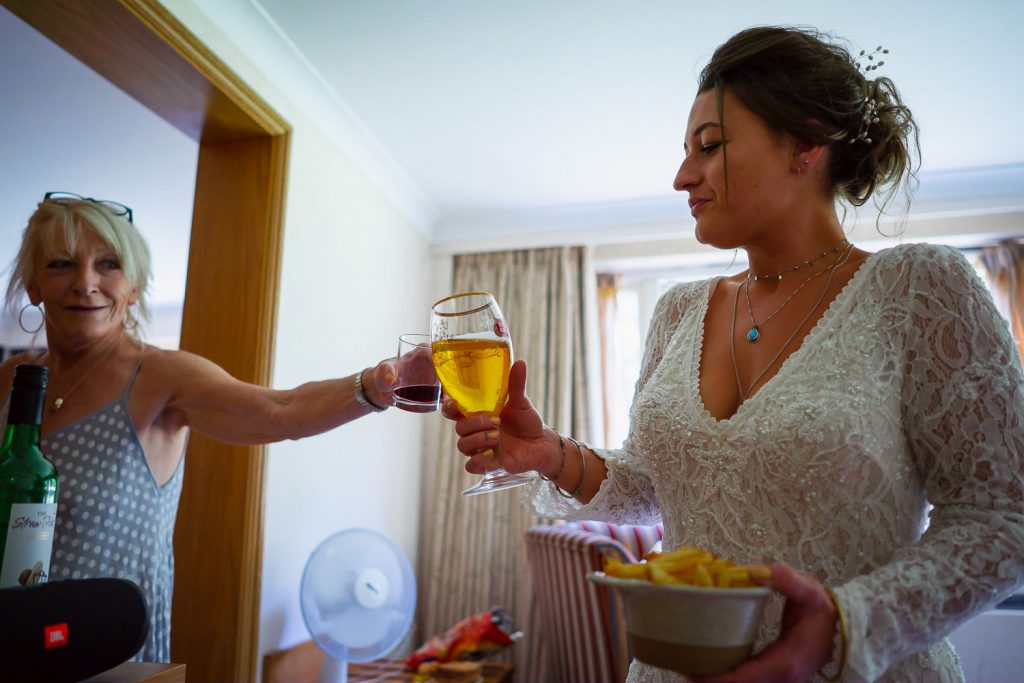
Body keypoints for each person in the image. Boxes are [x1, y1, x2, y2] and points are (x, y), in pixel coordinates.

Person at [444, 26, 1024, 683]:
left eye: (710, 146)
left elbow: (1002, 516)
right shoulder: (677, 311)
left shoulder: (921, 290)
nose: (681, 176)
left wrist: (838, 624)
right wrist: (550, 452)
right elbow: (653, 487)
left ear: (806, 141)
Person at [0, 192, 409, 662]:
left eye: (108, 264)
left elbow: (282, 409)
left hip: (106, 661)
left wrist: (376, 386)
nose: (85, 282)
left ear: (133, 286)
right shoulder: (13, 381)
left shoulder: (157, 377)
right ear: (33, 284)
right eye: (61, 264)